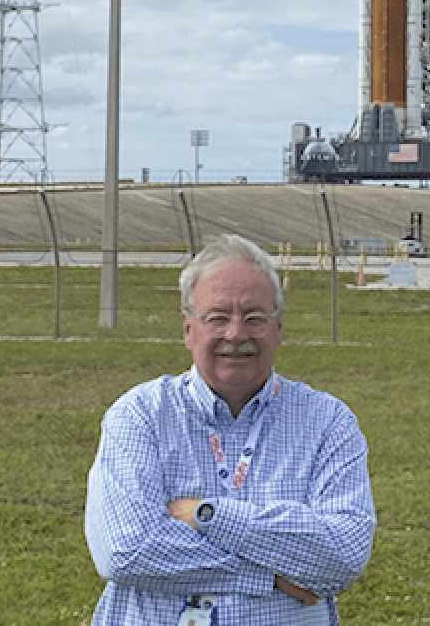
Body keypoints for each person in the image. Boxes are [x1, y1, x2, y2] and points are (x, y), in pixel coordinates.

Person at [85, 234, 375, 625]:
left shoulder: (328, 423)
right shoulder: (140, 415)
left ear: (278, 328)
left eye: (254, 317)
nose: (236, 334)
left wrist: (206, 516)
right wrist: (272, 573)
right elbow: (125, 551)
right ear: (188, 329)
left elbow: (342, 555)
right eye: (217, 317)